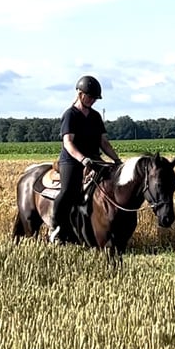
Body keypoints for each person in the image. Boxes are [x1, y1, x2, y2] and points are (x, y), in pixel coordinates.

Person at [50, 75, 122, 244]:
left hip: (94, 159)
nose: (92, 101)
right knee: (68, 190)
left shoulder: (96, 116)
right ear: (80, 94)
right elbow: (68, 142)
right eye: (90, 97)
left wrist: (117, 161)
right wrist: (83, 159)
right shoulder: (70, 115)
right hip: (72, 160)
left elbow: (103, 142)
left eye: (95, 98)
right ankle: (57, 226)